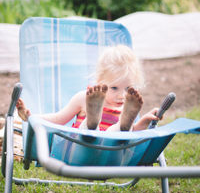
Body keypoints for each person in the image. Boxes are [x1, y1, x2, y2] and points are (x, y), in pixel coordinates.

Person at [16, 45, 160, 132]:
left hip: (111, 152)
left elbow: (131, 133)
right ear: (100, 82)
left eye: (128, 88)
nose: (122, 96)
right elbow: (58, 119)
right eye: (114, 88)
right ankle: (91, 121)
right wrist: (30, 117)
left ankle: (118, 124)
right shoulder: (85, 98)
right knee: (91, 132)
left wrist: (144, 121)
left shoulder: (126, 106)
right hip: (80, 149)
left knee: (121, 130)